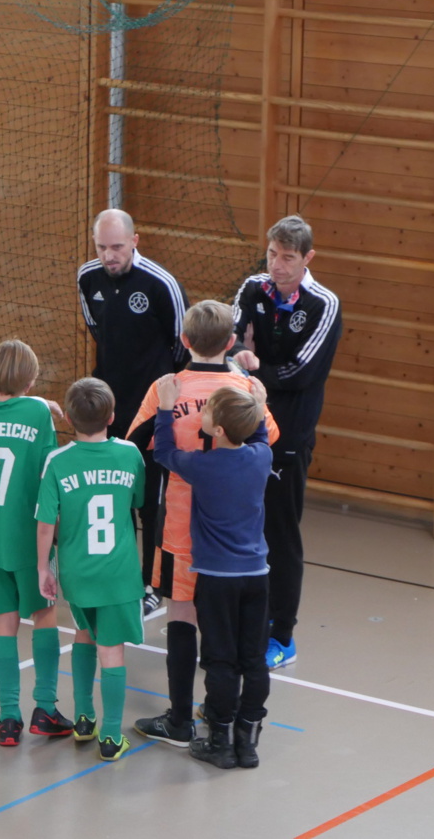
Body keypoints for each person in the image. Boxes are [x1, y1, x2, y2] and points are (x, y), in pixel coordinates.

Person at [131, 301, 279, 746]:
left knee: (182, 616)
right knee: (231, 630)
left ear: (184, 340)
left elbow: (137, 442)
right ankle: (224, 716)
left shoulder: (167, 387)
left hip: (181, 527)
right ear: (231, 342)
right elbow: (268, 438)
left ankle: (180, 719)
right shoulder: (244, 388)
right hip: (234, 534)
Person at [230, 214, 342, 669]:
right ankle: (246, 625)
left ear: (307, 258)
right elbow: (230, 340)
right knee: (242, 528)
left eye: (288, 258)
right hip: (244, 430)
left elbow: (302, 371)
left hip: (289, 435)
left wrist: (253, 368)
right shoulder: (253, 288)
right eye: (272, 254)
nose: (276, 265)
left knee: (280, 534)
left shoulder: (323, 304)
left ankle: (282, 636)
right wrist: (239, 353)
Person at [153, 380, 273, 769]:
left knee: (221, 660)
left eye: (207, 412)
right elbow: (260, 437)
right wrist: (259, 407)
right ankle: (248, 741)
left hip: (217, 579)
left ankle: (220, 740)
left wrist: (165, 410)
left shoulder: (202, 466)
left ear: (217, 430)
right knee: (253, 659)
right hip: (256, 575)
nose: (202, 413)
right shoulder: (261, 458)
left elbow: (164, 453)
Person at [77, 209, 189, 609]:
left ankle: (149, 585)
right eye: (102, 247)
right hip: (111, 408)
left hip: (153, 412)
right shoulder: (87, 278)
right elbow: (98, 330)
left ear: (135, 241)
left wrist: (160, 396)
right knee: (114, 493)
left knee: (151, 502)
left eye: (117, 247)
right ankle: (118, 575)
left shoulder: (161, 284)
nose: (109, 256)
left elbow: (182, 346)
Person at [0, 340, 71, 746]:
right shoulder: (38, 412)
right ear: (30, 379)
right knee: (44, 614)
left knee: (3, 620)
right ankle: (45, 707)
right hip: (28, 533)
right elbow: (48, 472)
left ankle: (8, 717)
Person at [37, 378, 145, 762]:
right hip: (117, 574)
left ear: (68, 418)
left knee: (84, 633)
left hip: (76, 571)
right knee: (111, 649)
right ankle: (111, 735)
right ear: (112, 416)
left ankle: (84, 718)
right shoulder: (130, 454)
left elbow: (45, 524)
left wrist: (43, 569)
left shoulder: (57, 461)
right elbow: (137, 499)